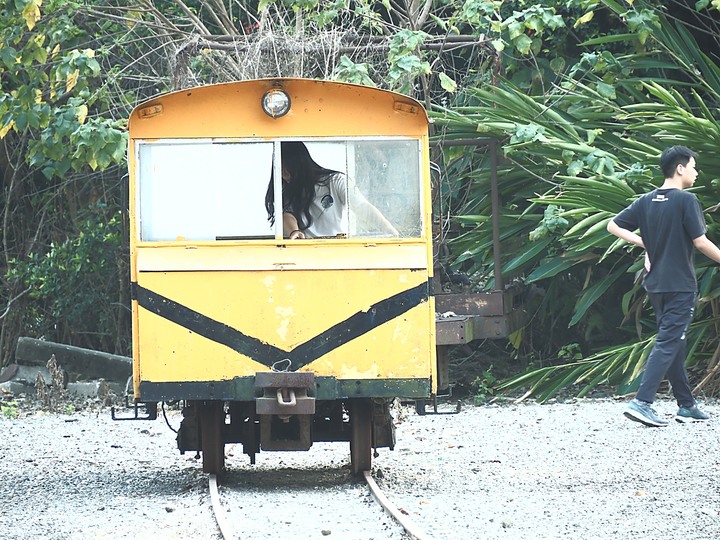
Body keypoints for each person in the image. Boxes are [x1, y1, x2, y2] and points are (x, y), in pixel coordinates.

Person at [607, 145, 720, 427]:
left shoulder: (646, 200)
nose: (696, 172)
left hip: (656, 284)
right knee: (670, 341)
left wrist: (645, 243)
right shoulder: (685, 200)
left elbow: (613, 225)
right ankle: (642, 402)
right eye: (693, 167)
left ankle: (686, 405)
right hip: (680, 284)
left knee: (674, 341)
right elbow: (700, 241)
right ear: (680, 168)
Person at [265, 141, 398, 239]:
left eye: (288, 170)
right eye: (280, 171)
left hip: (336, 247)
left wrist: (388, 229)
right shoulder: (286, 190)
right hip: (303, 251)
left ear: (300, 165)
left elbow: (362, 206)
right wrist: (294, 232)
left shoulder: (335, 181)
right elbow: (287, 215)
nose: (284, 176)